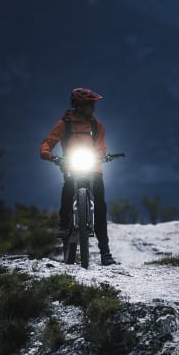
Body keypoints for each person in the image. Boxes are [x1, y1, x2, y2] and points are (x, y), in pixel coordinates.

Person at [40, 87, 117, 266]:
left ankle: (105, 253)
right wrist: (47, 152)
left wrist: (101, 154)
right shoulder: (64, 123)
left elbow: (101, 146)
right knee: (68, 189)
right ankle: (64, 223)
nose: (93, 108)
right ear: (79, 105)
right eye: (89, 104)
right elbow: (49, 141)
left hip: (93, 166)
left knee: (100, 207)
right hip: (71, 164)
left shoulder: (96, 125)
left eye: (93, 104)